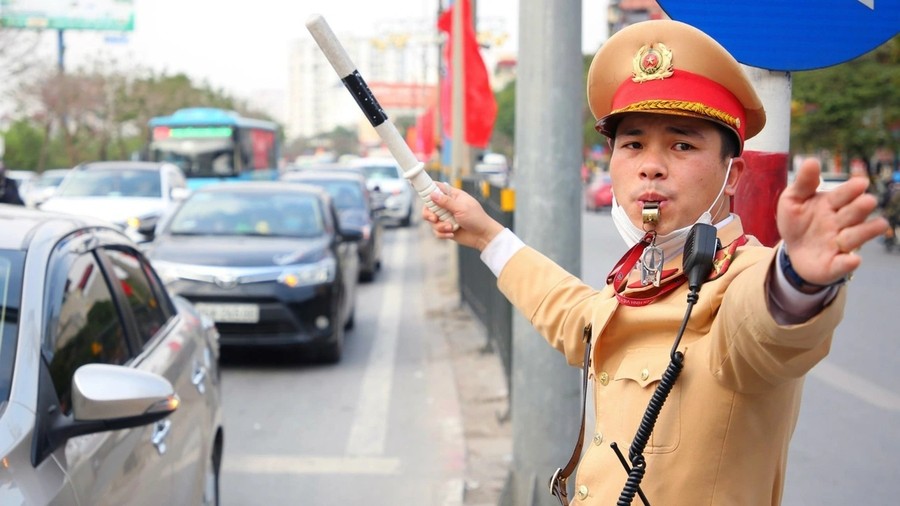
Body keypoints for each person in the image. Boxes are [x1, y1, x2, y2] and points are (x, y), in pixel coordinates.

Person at [423, 19, 888, 506]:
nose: (651, 164)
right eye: (633, 144)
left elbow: (766, 328)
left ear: (733, 176)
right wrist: (487, 236)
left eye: (682, 144)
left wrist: (799, 278)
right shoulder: (647, 273)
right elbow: (577, 314)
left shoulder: (745, 277)